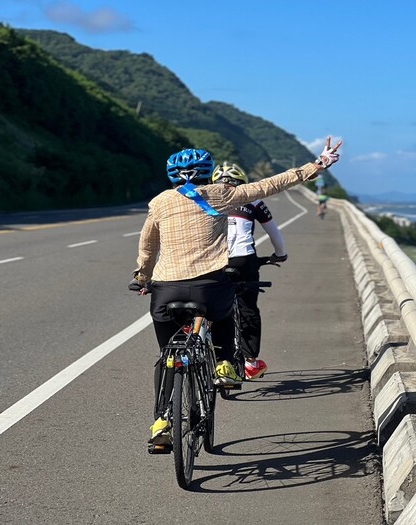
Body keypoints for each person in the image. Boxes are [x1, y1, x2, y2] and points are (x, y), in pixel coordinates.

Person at [132, 137, 342, 444]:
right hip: (209, 286)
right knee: (226, 312)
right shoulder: (222, 193)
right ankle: (226, 363)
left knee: (168, 356)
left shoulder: (160, 202)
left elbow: (148, 245)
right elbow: (271, 185)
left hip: (166, 291)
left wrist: (141, 276)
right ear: (208, 172)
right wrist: (318, 164)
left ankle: (163, 421)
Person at [211, 162, 287, 380]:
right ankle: (250, 363)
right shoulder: (253, 200)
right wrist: (280, 254)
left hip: (214, 260)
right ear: (242, 182)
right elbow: (275, 235)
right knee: (248, 309)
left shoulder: (206, 199)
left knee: (211, 302)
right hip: (244, 260)